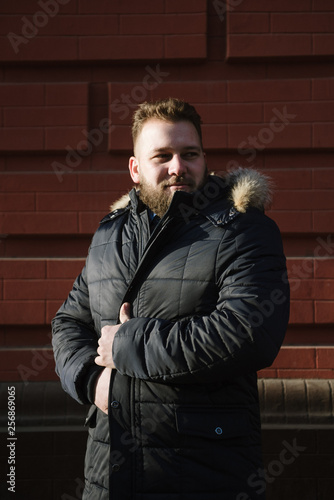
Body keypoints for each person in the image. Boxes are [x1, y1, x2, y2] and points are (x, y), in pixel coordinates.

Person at [52, 97, 290, 500]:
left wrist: (128, 344)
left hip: (206, 473)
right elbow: (68, 323)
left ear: (203, 158)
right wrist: (91, 380)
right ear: (135, 168)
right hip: (109, 471)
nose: (178, 167)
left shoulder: (245, 230)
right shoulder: (109, 235)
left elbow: (249, 331)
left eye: (189, 154)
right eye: (162, 155)